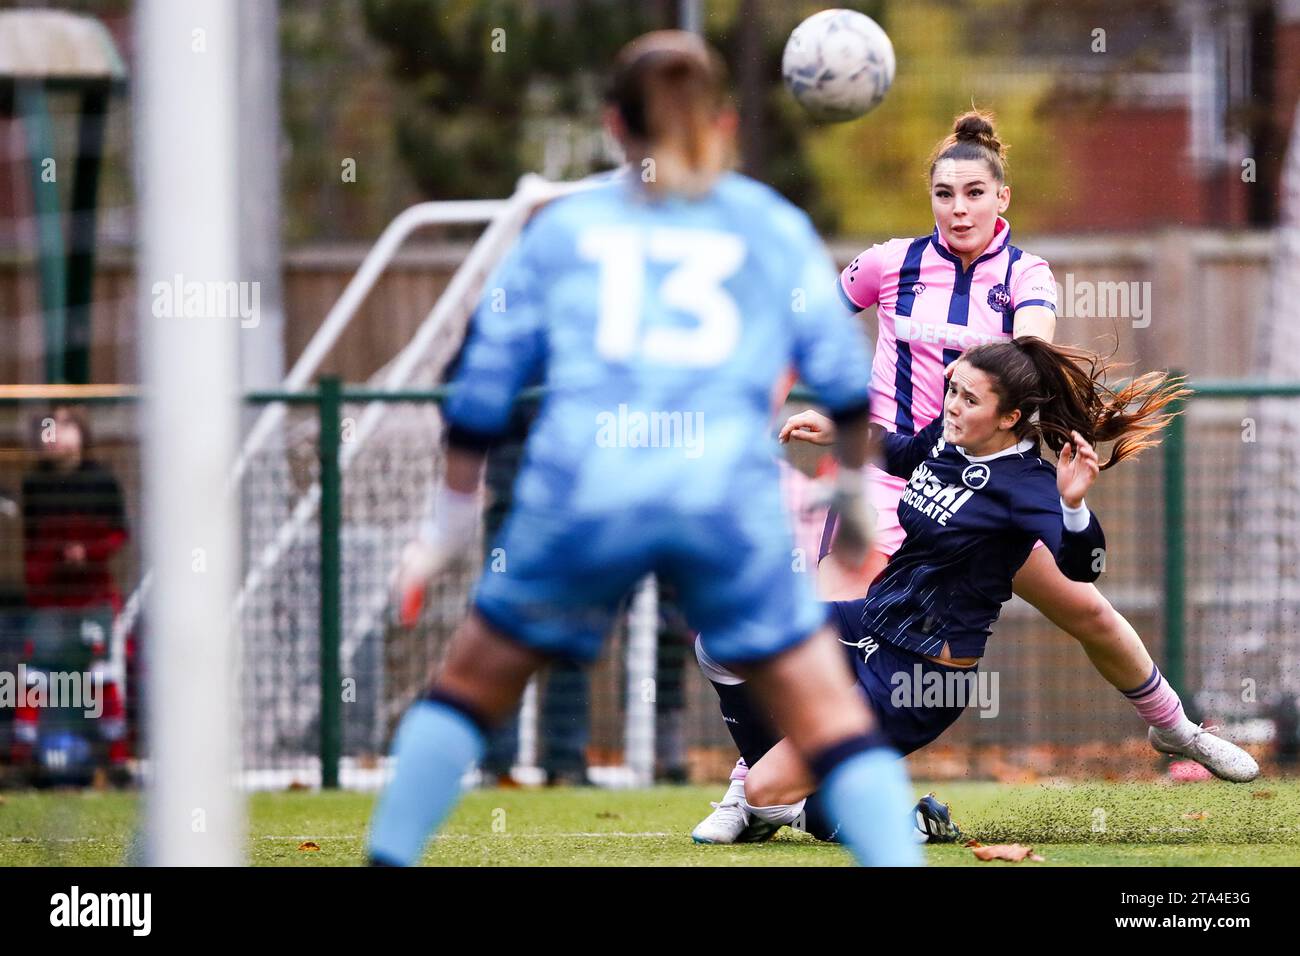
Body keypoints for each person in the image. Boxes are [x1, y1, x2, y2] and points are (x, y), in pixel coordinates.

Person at [366, 31, 921, 867]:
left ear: (612, 127)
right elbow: (843, 382)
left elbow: (481, 388)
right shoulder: (769, 226)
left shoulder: (565, 230)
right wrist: (846, 500)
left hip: (587, 490)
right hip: (722, 499)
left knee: (469, 687)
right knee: (830, 717)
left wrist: (448, 525)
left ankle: (387, 859)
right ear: (726, 122)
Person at [692, 110, 1259, 843]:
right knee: (803, 647)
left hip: (981, 493)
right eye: (943, 194)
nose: (957, 208)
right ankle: (759, 789)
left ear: (1002, 199)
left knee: (1088, 611)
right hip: (887, 480)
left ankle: (1176, 730)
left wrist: (1048, 462)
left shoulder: (1025, 276)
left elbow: (1029, 359)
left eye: (972, 193)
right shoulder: (887, 264)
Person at [694, 338, 1204, 844]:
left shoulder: (1029, 486)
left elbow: (1083, 566)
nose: (952, 406)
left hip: (917, 678)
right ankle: (793, 785)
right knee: (722, 643)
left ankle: (895, 823)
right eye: (952, 391)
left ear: (1010, 418)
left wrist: (1073, 507)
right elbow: (908, 452)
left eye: (969, 399)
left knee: (769, 795)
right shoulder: (948, 438)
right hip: (867, 625)